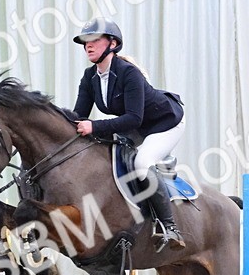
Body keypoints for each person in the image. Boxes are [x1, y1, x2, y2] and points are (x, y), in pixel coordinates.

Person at [72, 18, 187, 251]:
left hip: (166, 122)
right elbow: (77, 116)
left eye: (94, 40)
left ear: (112, 43)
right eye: (85, 42)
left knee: (142, 162)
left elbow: (134, 118)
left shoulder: (129, 73)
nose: (88, 45)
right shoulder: (90, 77)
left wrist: (93, 126)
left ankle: (170, 227)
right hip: (137, 126)